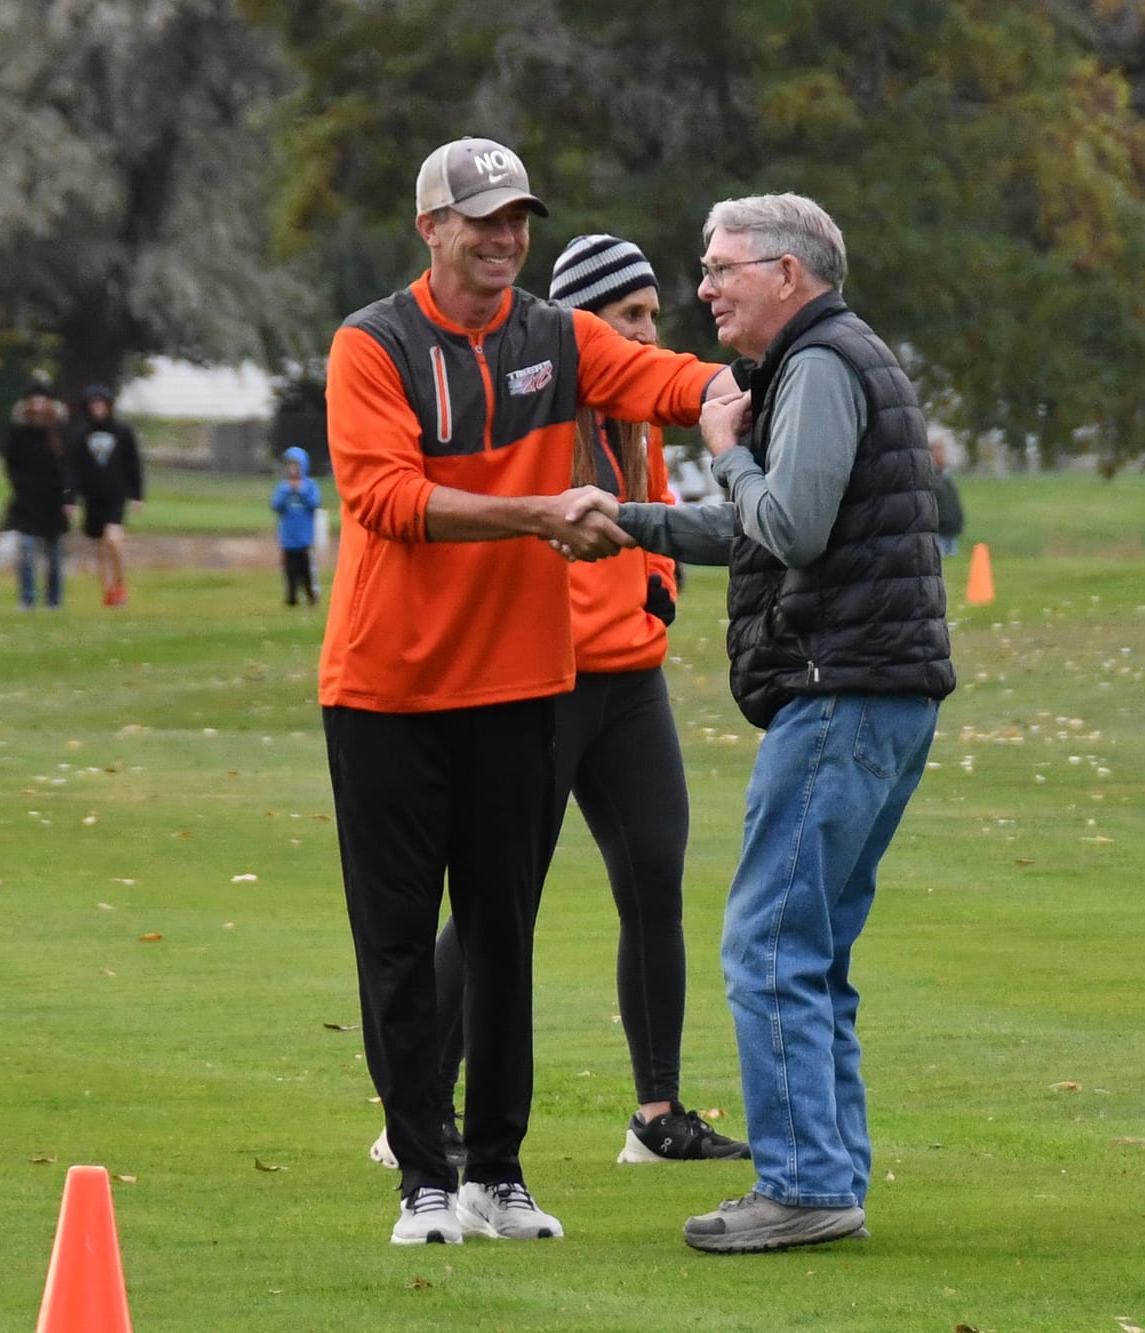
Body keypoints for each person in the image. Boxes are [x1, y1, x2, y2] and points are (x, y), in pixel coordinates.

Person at [322, 136, 736, 1246]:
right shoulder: (372, 344)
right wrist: (539, 510)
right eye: (483, 219)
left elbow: (653, 378)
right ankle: (422, 1173)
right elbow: (386, 500)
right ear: (431, 228)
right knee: (402, 939)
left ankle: (494, 1172)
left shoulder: (555, 336)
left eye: (517, 220)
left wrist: (733, 387)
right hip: (388, 688)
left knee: (502, 931)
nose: (505, 238)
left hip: (516, 682)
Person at [566, 193, 955, 1253]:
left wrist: (723, 447)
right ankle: (822, 1175)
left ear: (788, 273)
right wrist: (627, 522)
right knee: (810, 949)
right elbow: (765, 527)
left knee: (770, 943)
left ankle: (800, 1186)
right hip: (872, 689)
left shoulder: (820, 366)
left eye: (720, 267)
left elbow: (783, 521)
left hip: (840, 691)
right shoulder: (826, 360)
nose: (703, 288)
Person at [67, 384, 143, 607]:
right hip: (92, 497)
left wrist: (137, 495)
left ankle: (120, 583)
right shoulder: (79, 436)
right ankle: (109, 591)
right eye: (94, 404)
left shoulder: (123, 432)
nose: (98, 408)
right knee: (100, 546)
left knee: (113, 539)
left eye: (101, 404)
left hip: (116, 495)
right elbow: (72, 470)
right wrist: (70, 499)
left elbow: (133, 464)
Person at [1, 377, 73, 610]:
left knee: (54, 555)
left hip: (54, 501)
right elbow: (10, 462)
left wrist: (68, 497)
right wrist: (18, 484)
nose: (38, 403)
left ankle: (54, 600)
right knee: (26, 549)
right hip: (26, 500)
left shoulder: (60, 431)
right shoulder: (19, 431)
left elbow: (69, 468)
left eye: (42, 398)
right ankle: (27, 598)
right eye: (34, 398)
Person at [270, 445, 322, 606]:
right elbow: (276, 506)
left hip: (305, 538)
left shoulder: (310, 486)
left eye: (296, 465)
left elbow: (314, 504)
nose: (293, 469)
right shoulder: (283, 487)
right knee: (290, 570)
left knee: (307, 569)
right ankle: (291, 598)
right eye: (290, 465)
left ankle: (311, 596)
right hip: (288, 537)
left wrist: (301, 491)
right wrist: (288, 492)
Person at [930, 434, 964, 557]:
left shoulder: (946, 475)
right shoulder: (929, 475)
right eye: (938, 449)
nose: (942, 453)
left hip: (951, 528)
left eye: (943, 449)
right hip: (938, 530)